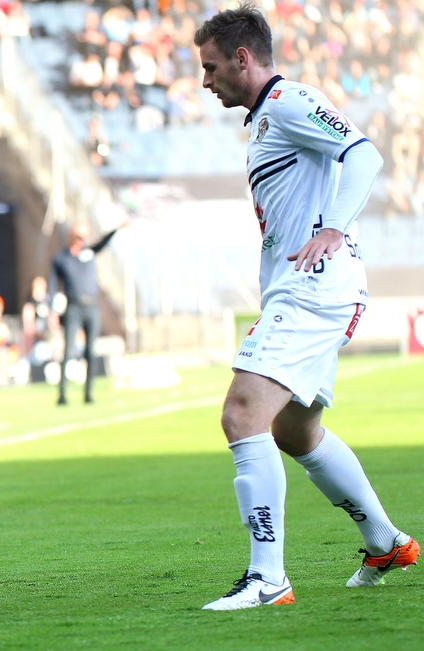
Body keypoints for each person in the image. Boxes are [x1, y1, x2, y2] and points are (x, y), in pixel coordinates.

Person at [195, 3, 418, 611]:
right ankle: (385, 542)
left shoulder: (292, 101)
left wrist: (334, 228)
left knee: (243, 413)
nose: (205, 81)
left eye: (211, 67)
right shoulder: (268, 119)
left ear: (243, 58)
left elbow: (365, 155)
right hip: (309, 289)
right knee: (295, 429)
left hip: (315, 288)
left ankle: (268, 578)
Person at [48, 221, 120, 405]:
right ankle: (62, 394)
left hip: (92, 307)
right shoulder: (61, 258)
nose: (82, 240)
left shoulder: (88, 254)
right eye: (79, 237)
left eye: (84, 237)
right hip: (73, 307)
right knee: (69, 351)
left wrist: (116, 228)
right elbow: (52, 286)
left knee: (90, 352)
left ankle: (88, 394)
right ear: (72, 236)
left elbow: (102, 243)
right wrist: (52, 311)